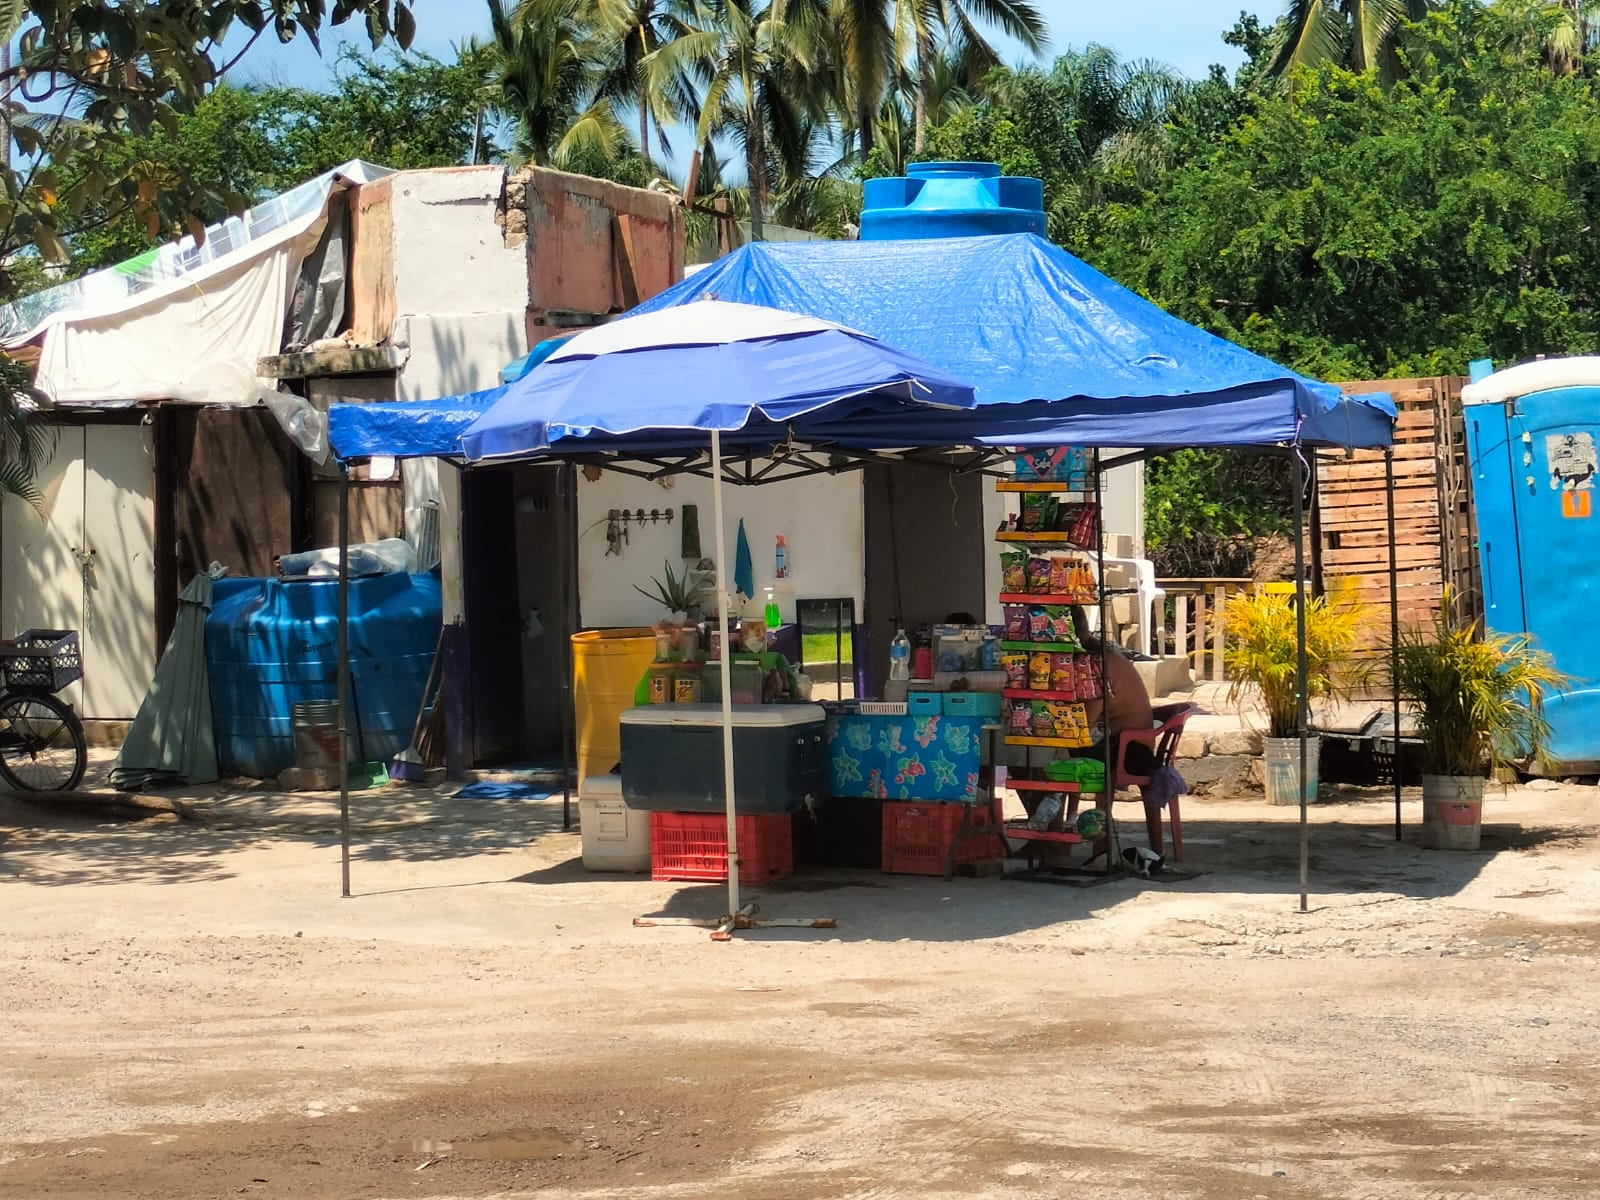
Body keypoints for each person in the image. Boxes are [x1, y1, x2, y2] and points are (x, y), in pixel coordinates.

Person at [1069, 606, 1156, 775]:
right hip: (1129, 744)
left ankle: (1046, 792)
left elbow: (1086, 723)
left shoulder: (1093, 662)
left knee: (1052, 753)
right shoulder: (1101, 652)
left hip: (1129, 751)